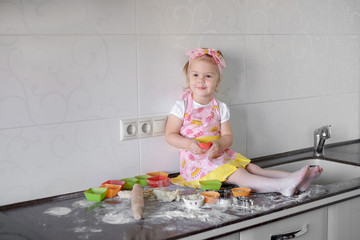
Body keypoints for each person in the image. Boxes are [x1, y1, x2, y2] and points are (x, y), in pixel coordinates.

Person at [165, 48, 323, 197]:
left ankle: (298, 180)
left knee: (253, 168)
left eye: (208, 76)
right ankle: (281, 186)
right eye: (195, 75)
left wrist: (219, 145)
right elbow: (170, 135)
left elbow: (228, 136)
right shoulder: (182, 105)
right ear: (188, 76)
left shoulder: (220, 107)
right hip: (196, 162)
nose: (201, 81)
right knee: (239, 174)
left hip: (218, 153)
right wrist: (188, 144)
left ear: (217, 80)